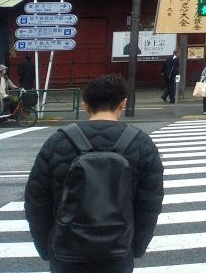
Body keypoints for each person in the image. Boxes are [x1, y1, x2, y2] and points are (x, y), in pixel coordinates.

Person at [24, 74, 164, 273]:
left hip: (66, 251)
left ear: (85, 105)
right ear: (122, 104)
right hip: (118, 251)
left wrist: (47, 249)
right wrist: (136, 248)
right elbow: (149, 205)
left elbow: (36, 202)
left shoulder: (58, 142)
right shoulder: (142, 144)